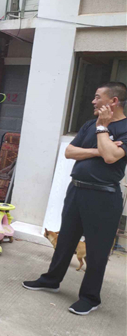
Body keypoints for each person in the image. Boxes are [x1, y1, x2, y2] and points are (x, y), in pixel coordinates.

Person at [23, 82, 127, 316]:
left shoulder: (123, 127)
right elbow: (70, 152)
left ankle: (90, 298)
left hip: (104, 196)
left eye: (97, 97)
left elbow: (111, 157)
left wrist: (103, 129)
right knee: (66, 240)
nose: (93, 101)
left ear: (113, 101)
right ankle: (51, 280)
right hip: (77, 190)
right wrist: (98, 150)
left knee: (97, 250)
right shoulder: (89, 124)